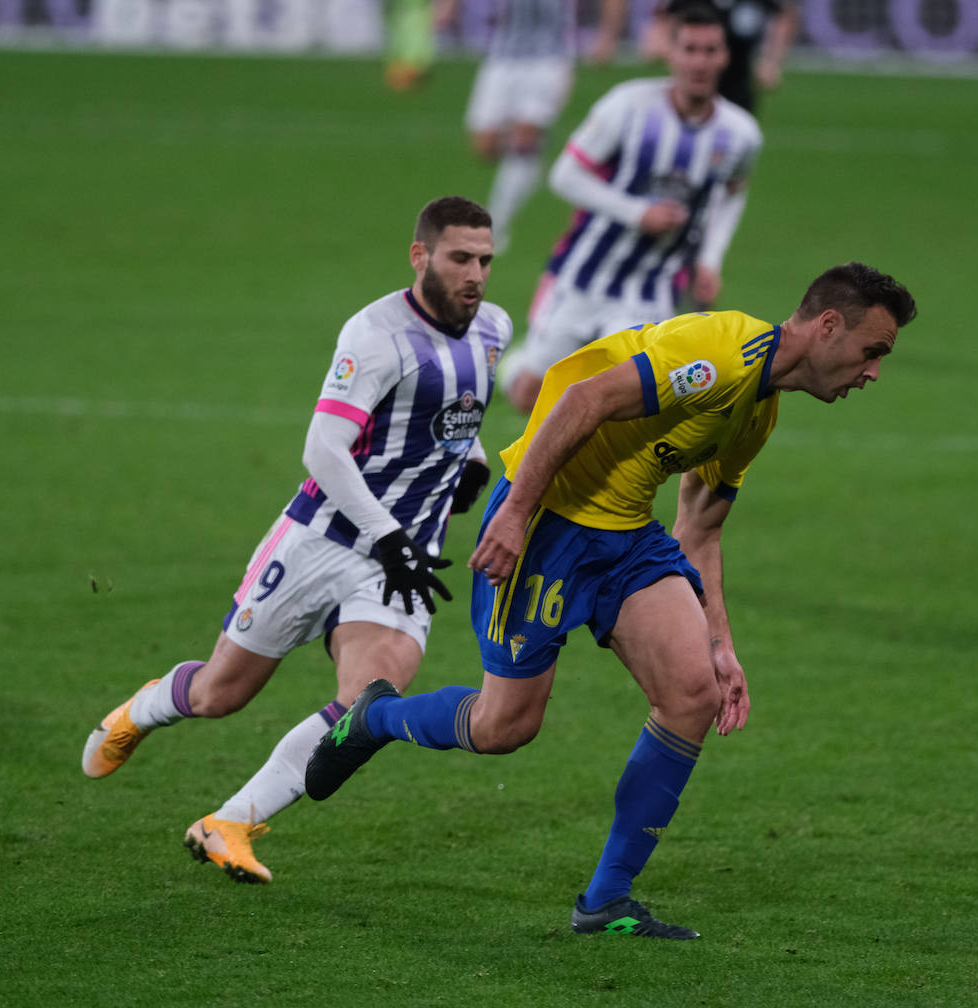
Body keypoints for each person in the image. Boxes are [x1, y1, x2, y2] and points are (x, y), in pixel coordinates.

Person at [305, 262, 917, 938]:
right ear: (828, 325)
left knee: (693, 692)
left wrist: (721, 645)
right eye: (873, 351)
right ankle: (375, 718)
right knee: (504, 727)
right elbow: (583, 401)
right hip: (547, 525)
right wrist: (514, 513)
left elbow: (701, 528)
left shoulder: (757, 413)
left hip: (625, 537)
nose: (874, 372)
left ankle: (604, 901)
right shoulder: (720, 355)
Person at [81, 197, 512, 885]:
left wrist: (472, 463)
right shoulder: (375, 335)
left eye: (485, 260)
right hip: (321, 541)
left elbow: (454, 418)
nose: (476, 275)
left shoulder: (493, 329)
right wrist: (387, 533)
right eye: (461, 258)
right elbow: (324, 448)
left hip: (399, 563)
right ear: (420, 255)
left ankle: (230, 822)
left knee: (369, 700)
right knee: (222, 694)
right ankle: (144, 707)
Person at [499, 0, 762, 414]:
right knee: (530, 398)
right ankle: (512, 366)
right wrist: (637, 213)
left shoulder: (740, 133)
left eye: (710, 50)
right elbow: (565, 175)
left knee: (622, 409)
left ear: (725, 56)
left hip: (652, 289)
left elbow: (732, 193)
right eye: (690, 49)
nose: (700, 61)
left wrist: (710, 260)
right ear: (670, 52)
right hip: (581, 275)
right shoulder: (629, 106)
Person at [435, 0, 629, 252]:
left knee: (524, 140)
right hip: (503, 55)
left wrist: (608, 35)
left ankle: (495, 225)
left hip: (550, 59)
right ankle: (532, 155)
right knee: (484, 146)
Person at [647, 0, 799, 114]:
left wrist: (771, 62)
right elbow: (667, 16)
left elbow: (784, 15)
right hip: (692, 85)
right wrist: (662, 42)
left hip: (739, 84)